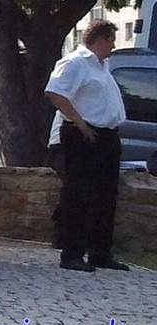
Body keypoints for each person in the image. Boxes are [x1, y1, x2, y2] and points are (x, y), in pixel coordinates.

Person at [44, 19, 129, 273]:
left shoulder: (102, 65)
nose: (113, 46)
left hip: (107, 136)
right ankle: (72, 253)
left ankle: (100, 252)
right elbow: (55, 91)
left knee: (105, 195)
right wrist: (79, 123)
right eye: (111, 40)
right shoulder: (76, 62)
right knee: (79, 195)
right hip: (85, 135)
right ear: (100, 40)